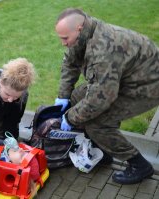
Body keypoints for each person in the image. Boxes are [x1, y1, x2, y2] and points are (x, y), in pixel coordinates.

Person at [54, 8, 159, 184]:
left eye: (65, 38)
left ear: (79, 29)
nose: (63, 43)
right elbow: (70, 64)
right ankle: (101, 151)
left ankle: (139, 165)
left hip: (147, 86)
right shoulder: (83, 34)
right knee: (75, 99)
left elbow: (99, 100)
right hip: (122, 77)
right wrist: (63, 97)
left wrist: (70, 118)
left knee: (98, 124)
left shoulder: (103, 50)